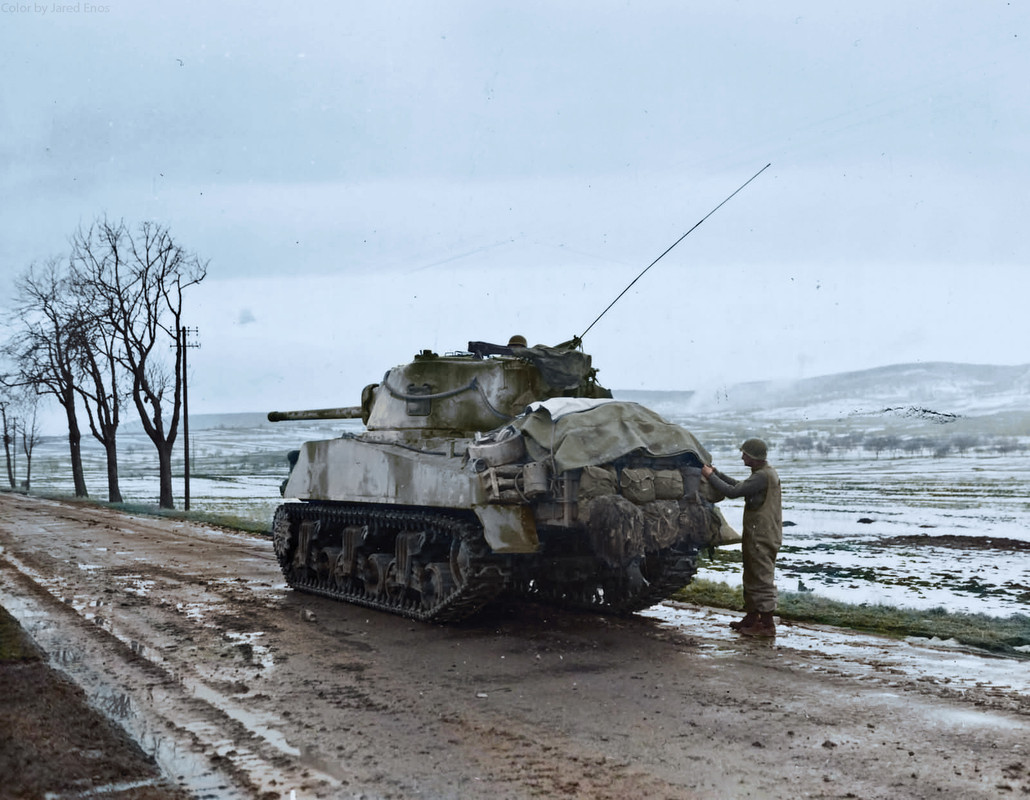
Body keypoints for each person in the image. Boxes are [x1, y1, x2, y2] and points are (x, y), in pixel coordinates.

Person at [701, 438, 782, 637]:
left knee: (761, 577)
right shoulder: (762, 474)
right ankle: (752, 618)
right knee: (752, 574)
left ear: (753, 457)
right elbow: (741, 485)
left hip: (761, 535)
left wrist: (710, 477)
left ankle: (767, 625)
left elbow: (733, 491)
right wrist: (717, 474)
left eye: (745, 454)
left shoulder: (762, 477)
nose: (742, 457)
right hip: (759, 533)